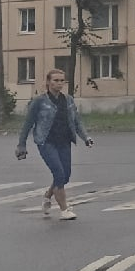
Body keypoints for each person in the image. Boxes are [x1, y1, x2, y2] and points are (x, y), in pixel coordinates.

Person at [15, 70, 93, 220]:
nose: (59, 83)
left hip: (64, 141)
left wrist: (86, 138)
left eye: (62, 80)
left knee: (65, 176)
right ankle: (64, 209)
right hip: (46, 142)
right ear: (48, 82)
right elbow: (28, 124)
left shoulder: (68, 100)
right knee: (59, 173)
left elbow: (76, 121)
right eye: (56, 80)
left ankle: (48, 195)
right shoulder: (39, 101)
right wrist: (21, 145)